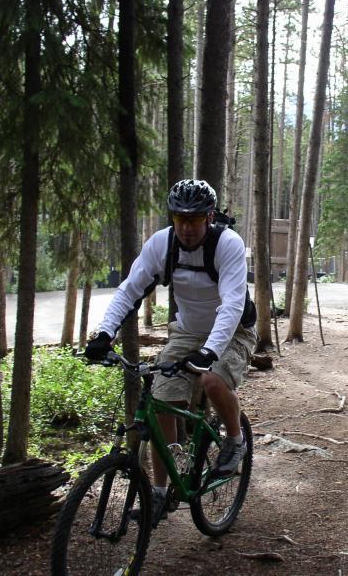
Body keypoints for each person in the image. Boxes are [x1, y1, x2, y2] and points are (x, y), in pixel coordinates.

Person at [84, 178, 257, 526]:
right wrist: (104, 333)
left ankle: (235, 441)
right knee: (161, 398)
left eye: (194, 220)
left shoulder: (227, 244)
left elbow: (233, 303)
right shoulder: (161, 245)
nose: (187, 228)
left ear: (209, 218)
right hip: (187, 331)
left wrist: (210, 351)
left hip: (234, 329)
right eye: (180, 219)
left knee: (211, 380)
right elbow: (129, 289)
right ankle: (161, 494)